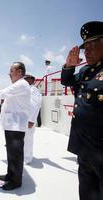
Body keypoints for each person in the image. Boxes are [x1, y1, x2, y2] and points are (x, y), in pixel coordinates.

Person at [61, 21, 103, 200]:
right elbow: (67, 81)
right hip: (84, 145)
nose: (87, 51)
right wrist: (69, 65)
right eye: (86, 48)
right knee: (86, 192)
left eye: (93, 46)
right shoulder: (86, 70)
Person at [0, 62, 31, 190]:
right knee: (11, 152)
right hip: (11, 125)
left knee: (15, 154)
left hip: (16, 126)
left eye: (11, 70)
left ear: (20, 72)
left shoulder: (21, 84)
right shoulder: (17, 84)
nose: (9, 73)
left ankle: (16, 181)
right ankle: (11, 174)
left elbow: (2, 93)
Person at [23, 73, 42, 164]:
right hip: (22, 118)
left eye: (26, 78)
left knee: (28, 139)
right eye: (24, 78)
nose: (25, 80)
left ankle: (27, 158)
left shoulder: (34, 90)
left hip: (28, 119)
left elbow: (35, 105)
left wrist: (31, 120)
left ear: (31, 80)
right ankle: (24, 156)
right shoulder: (26, 89)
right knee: (23, 138)